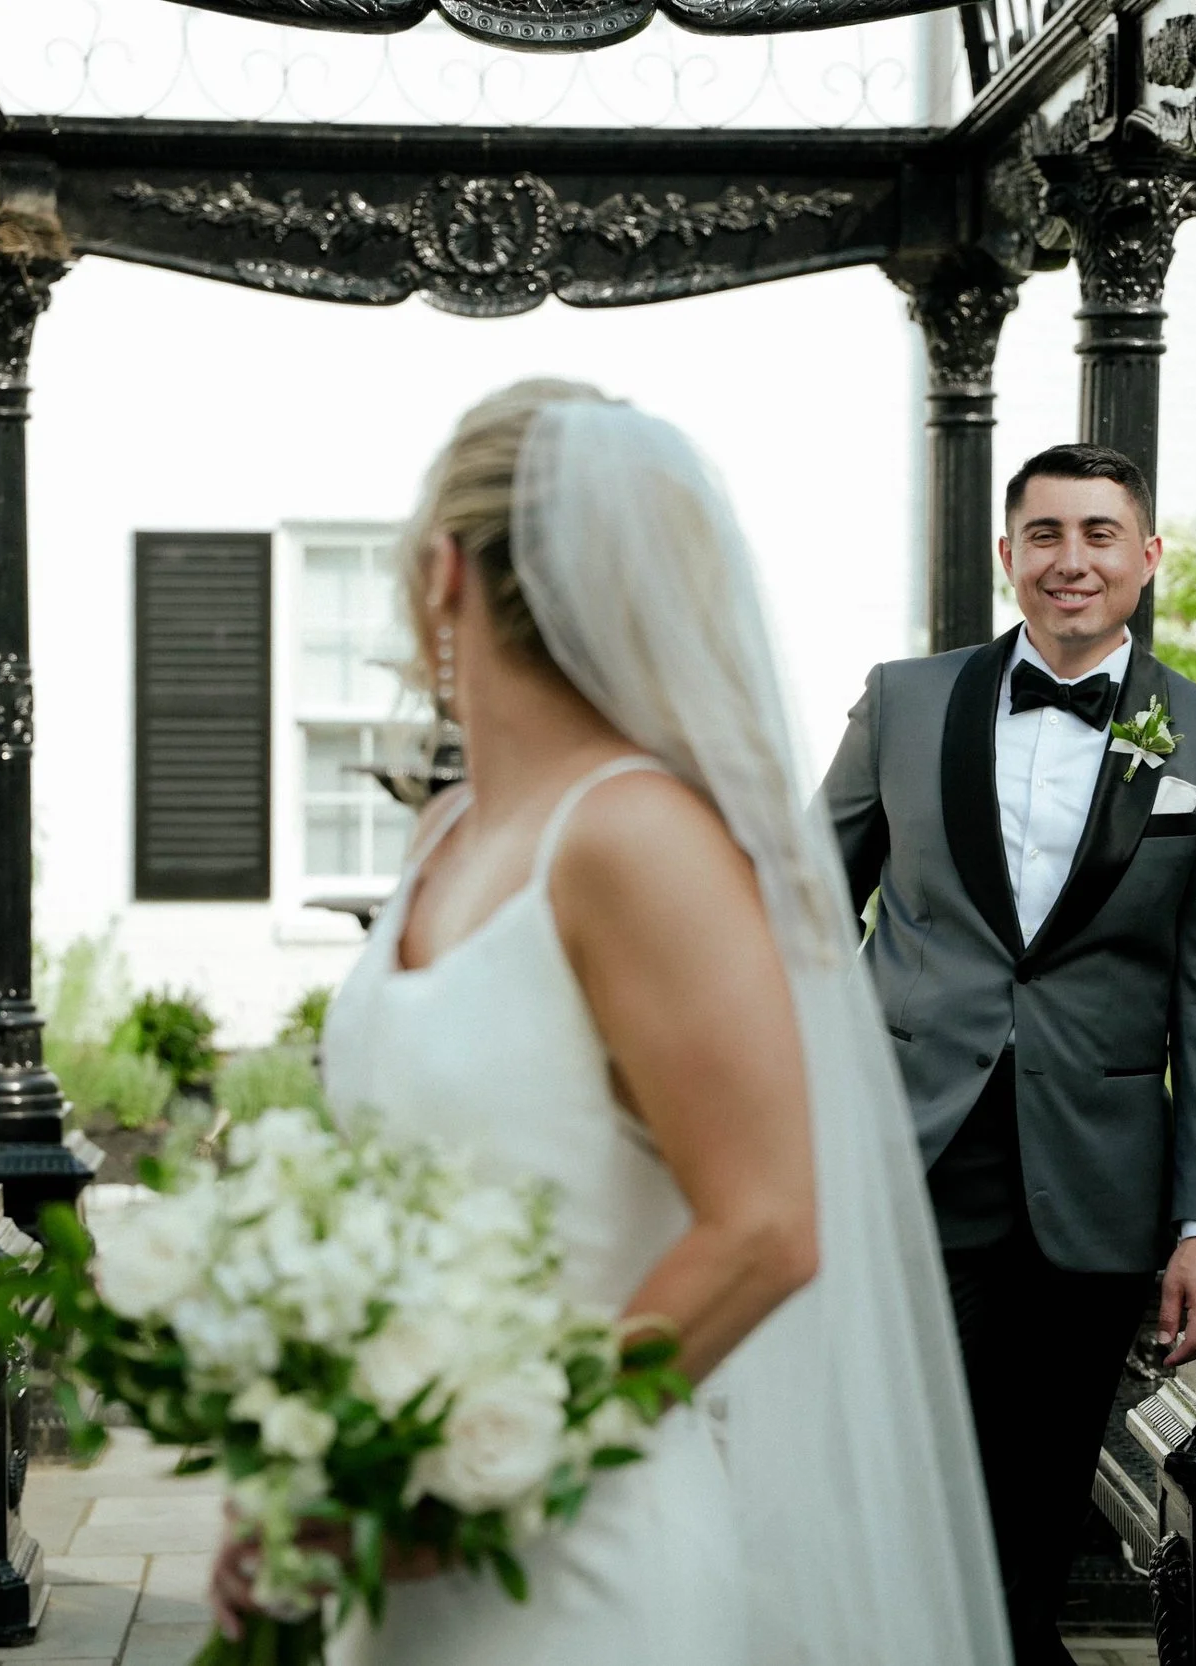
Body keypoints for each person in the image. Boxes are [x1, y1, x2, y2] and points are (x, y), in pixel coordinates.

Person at [208, 380, 1013, 1666]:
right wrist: (304, 1461)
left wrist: (472, 1479)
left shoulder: (638, 840)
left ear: (441, 575)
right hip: (398, 1559)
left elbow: (764, 1228)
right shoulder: (445, 835)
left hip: (582, 1565)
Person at [820, 442, 1196, 1666]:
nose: (1073, 561)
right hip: (911, 1163)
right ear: (1007, 554)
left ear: (1147, 557)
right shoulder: (905, 702)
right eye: (1048, 534)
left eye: (1101, 534)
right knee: (905, 1485)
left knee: (1027, 1511)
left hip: (1097, 1190)